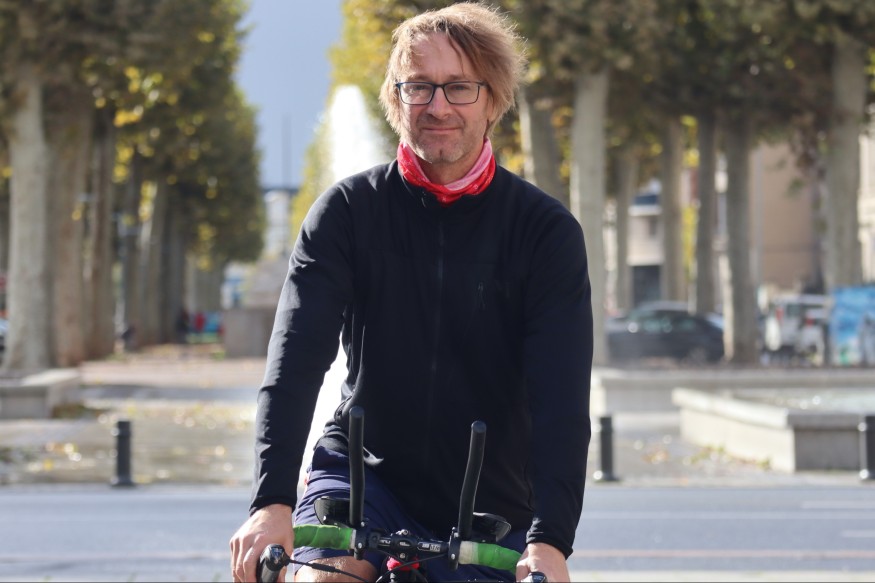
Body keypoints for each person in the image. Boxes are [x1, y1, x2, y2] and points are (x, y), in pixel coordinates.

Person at [230, 3, 593, 582]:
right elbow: (294, 363)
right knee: (324, 578)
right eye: (419, 86)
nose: (438, 106)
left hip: (491, 498)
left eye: (460, 87)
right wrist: (270, 501)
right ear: (396, 99)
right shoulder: (345, 213)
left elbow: (561, 403)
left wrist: (551, 540)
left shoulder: (545, 232)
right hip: (362, 477)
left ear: (494, 99)